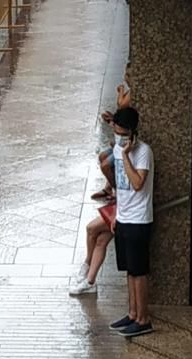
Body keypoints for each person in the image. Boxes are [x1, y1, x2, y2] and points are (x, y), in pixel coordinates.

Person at [106, 107, 155, 337]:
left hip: (139, 220)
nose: (117, 136)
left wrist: (126, 155)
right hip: (123, 217)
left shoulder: (143, 152)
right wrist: (115, 212)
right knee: (129, 270)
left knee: (139, 271)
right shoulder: (116, 148)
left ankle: (143, 318)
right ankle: (133, 313)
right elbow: (120, 185)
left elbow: (137, 183)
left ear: (131, 132)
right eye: (115, 131)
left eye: (121, 131)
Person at [92, 65, 132, 202]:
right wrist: (112, 120)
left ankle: (117, 192)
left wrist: (120, 91)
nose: (125, 78)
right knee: (103, 156)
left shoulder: (131, 92)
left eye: (128, 75)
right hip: (120, 140)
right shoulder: (130, 91)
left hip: (125, 141)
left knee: (106, 165)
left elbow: (121, 104)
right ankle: (109, 188)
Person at [69, 213, 114, 296]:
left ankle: (87, 264)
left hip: (124, 213)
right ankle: (90, 282)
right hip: (120, 209)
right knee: (101, 241)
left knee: (91, 228)